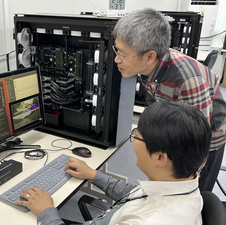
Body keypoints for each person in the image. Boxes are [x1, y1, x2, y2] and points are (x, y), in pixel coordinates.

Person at [15, 101, 211, 225]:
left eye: (136, 136)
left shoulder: (149, 220)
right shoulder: (183, 182)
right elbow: (135, 194)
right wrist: (93, 175)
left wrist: (47, 213)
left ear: (160, 158)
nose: (133, 140)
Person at [111, 8, 226, 191]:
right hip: (180, 129)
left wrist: (184, 185)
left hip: (208, 140)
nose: (116, 59)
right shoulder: (149, 67)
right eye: (117, 51)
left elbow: (198, 141)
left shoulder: (188, 81)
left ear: (149, 56)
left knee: (196, 196)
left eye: (123, 55)